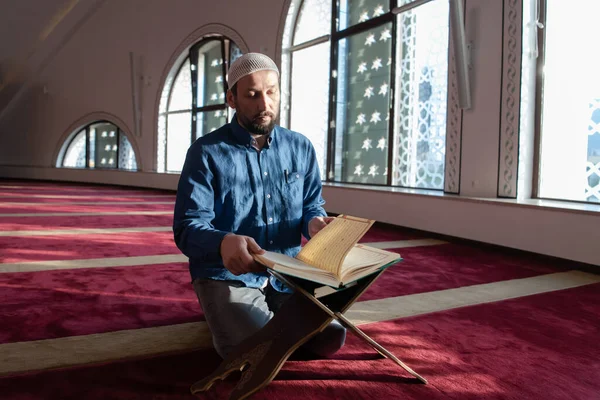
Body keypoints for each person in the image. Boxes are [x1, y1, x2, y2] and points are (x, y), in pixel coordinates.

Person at [173, 52, 346, 359]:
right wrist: (223, 241)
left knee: (331, 336)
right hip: (226, 273)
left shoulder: (300, 147)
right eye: (252, 95)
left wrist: (315, 222)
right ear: (231, 98)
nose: (264, 105)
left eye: (271, 92)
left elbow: (310, 204)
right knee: (251, 350)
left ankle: (250, 320)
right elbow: (187, 227)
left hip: (286, 272)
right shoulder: (205, 152)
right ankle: (226, 311)